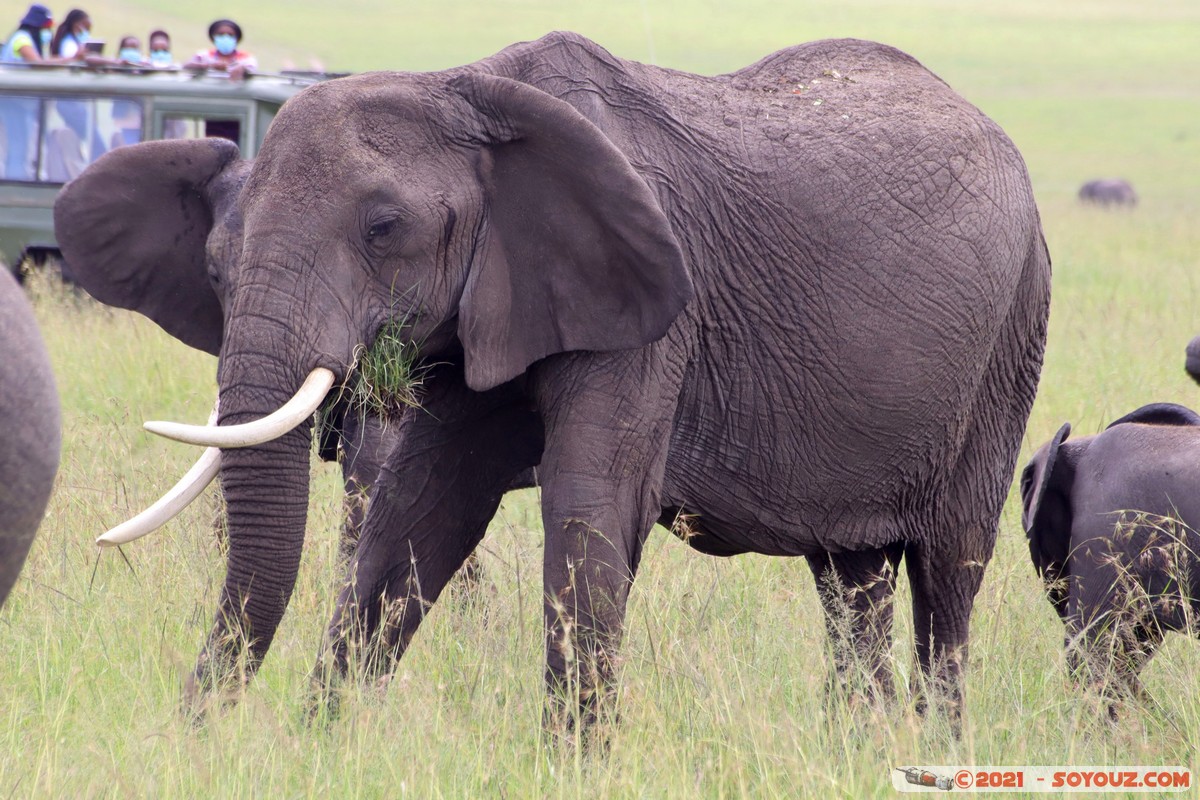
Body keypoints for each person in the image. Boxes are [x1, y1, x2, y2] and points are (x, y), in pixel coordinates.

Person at [185, 18, 255, 80]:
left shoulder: (246, 58)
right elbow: (186, 66)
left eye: (230, 35)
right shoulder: (203, 55)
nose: (225, 38)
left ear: (237, 38)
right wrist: (210, 65)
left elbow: (251, 71)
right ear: (213, 38)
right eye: (220, 35)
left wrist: (242, 68)